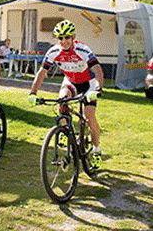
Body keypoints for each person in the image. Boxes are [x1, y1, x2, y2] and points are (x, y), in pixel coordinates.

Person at [28, 20, 104, 167]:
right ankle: (65, 131)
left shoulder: (82, 49)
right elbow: (42, 72)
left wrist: (98, 89)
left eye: (67, 37)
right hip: (70, 82)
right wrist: (33, 92)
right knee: (62, 101)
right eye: (60, 38)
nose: (64, 41)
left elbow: (98, 70)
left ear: (73, 37)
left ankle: (96, 150)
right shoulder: (54, 52)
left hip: (88, 84)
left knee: (89, 117)